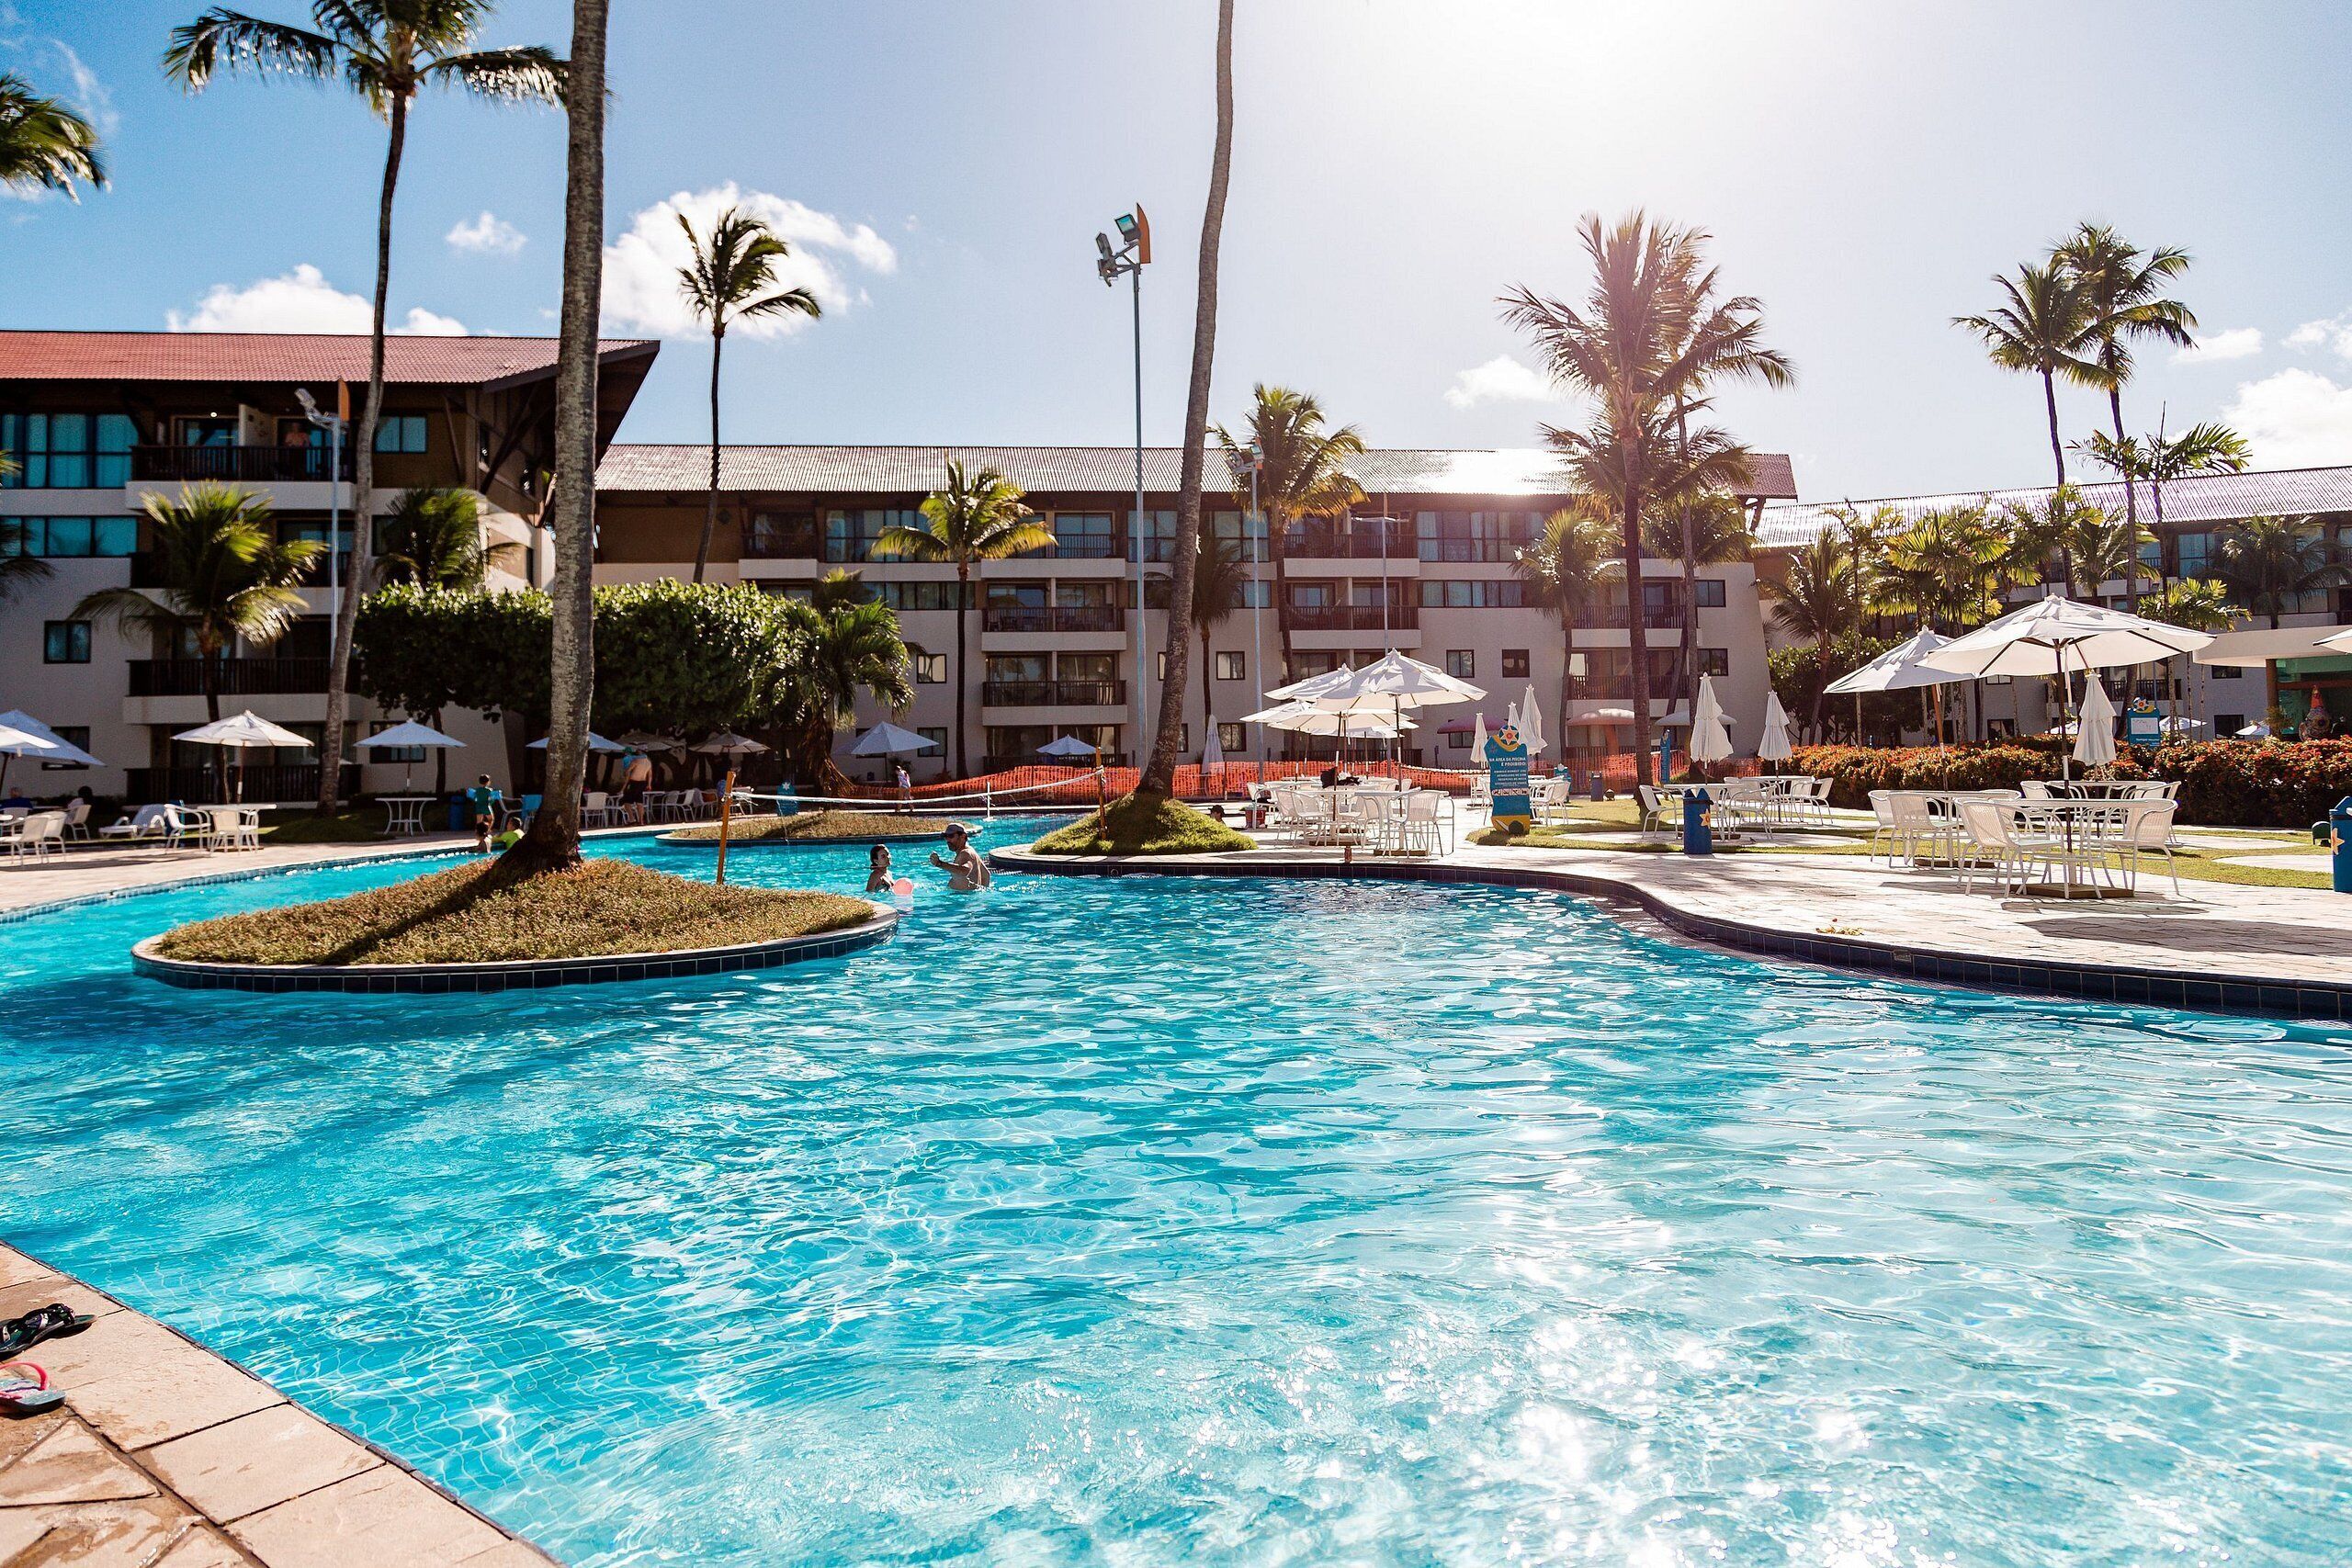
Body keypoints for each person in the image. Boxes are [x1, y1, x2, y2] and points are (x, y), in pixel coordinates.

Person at [929, 822, 990, 892]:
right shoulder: (971, 851)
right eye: (945, 836)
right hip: (967, 896)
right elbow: (987, 874)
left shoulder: (966, 853)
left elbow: (965, 870)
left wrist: (939, 864)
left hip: (964, 897)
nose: (947, 840)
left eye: (951, 836)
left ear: (963, 836)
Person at [461, 774, 500, 853]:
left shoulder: (477, 790)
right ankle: (487, 831)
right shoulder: (489, 790)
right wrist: (491, 802)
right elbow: (491, 799)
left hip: (479, 806)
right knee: (491, 819)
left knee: (479, 822)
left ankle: (479, 833)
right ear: (488, 782)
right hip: (486, 806)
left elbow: (474, 798)